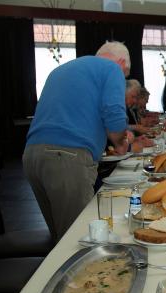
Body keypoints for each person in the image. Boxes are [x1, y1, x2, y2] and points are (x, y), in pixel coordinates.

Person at [23, 41, 131, 242]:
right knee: (78, 240)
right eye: (124, 76)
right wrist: (120, 143)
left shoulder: (62, 69)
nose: (122, 81)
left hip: (32, 155)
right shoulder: (112, 69)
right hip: (67, 157)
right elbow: (114, 114)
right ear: (122, 62)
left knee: (61, 239)